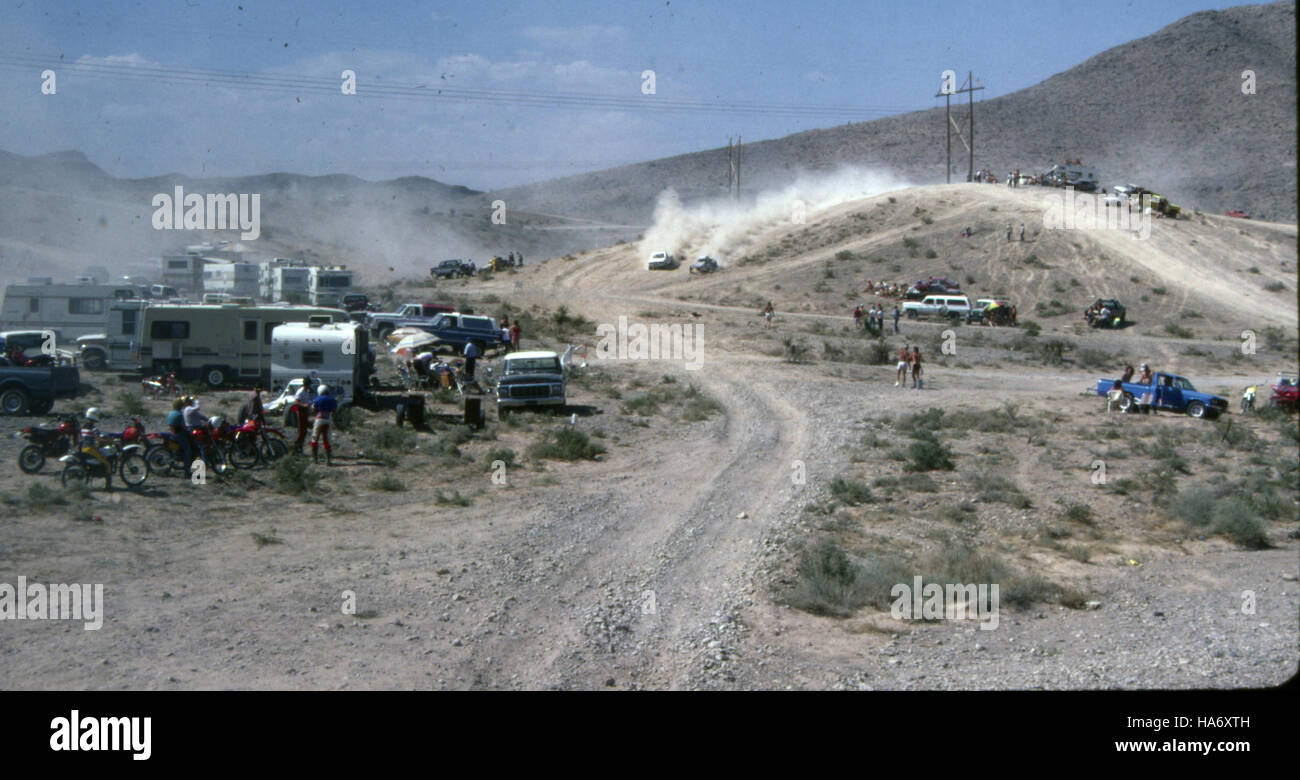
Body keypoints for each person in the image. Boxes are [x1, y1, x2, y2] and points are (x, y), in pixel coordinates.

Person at [310, 384, 337, 465]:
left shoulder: (317, 399)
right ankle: (328, 460)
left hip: (319, 420)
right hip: (327, 419)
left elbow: (313, 409)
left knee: (315, 438)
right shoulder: (332, 399)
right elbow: (335, 410)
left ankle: (315, 459)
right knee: (327, 439)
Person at [291, 377, 313, 454]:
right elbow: (296, 403)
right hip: (301, 412)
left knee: (304, 431)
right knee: (301, 431)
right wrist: (304, 405)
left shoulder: (306, 391)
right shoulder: (300, 392)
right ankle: (295, 448)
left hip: (305, 412)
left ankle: (300, 448)